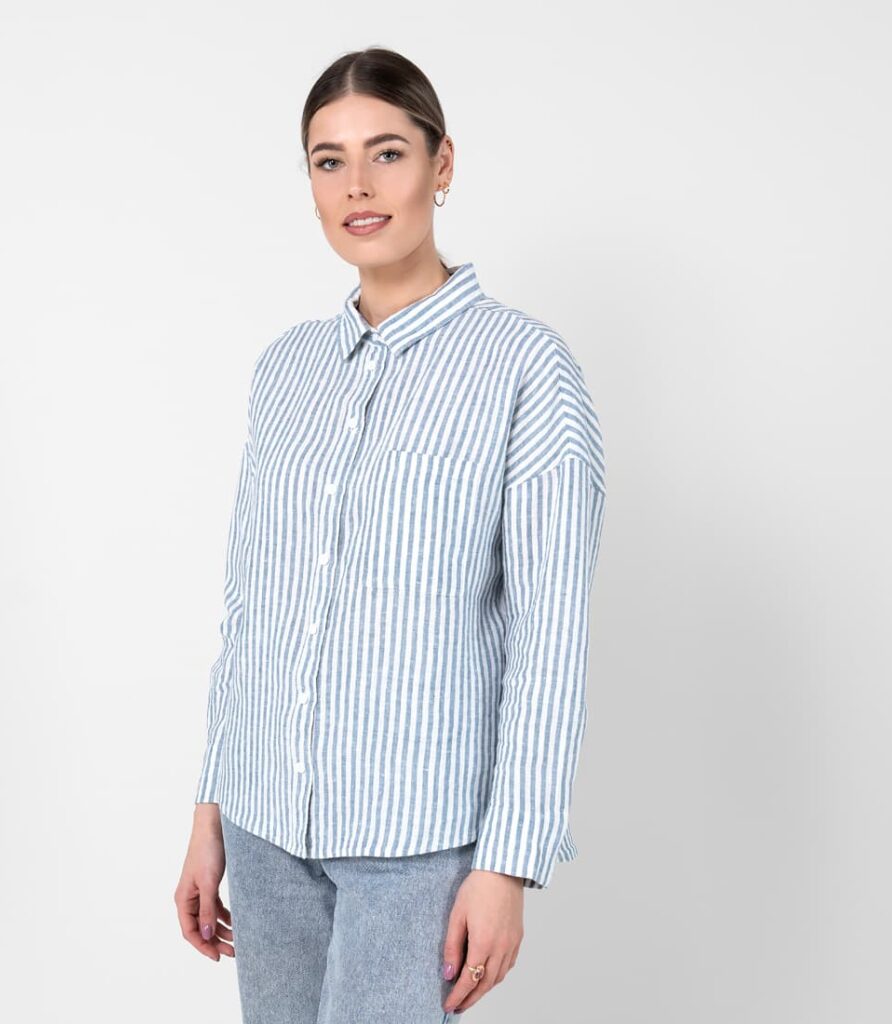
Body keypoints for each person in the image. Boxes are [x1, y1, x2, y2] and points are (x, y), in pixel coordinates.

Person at [174, 46, 607, 1023]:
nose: (357, 187)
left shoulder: (526, 369)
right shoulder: (285, 370)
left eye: (387, 153)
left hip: (415, 846)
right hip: (264, 827)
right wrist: (210, 812)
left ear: (441, 164)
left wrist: (507, 863)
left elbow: (550, 640)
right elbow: (252, 611)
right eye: (328, 161)